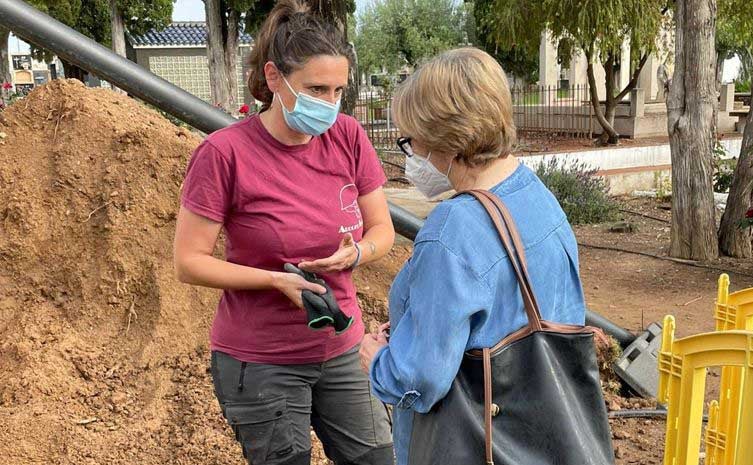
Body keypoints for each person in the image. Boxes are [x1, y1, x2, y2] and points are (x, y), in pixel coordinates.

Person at [172, 1, 395, 464]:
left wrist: (356, 255)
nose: (329, 104)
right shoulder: (224, 154)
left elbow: (383, 230)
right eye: (316, 89)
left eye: (337, 91)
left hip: (341, 346)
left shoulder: (349, 137)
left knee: (379, 457)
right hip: (262, 360)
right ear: (274, 78)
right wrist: (275, 279)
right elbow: (189, 263)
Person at [359, 48, 588, 465]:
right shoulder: (537, 196)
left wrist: (378, 361)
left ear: (446, 138)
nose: (410, 156)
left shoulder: (452, 229)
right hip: (545, 438)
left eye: (411, 141)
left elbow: (420, 379)